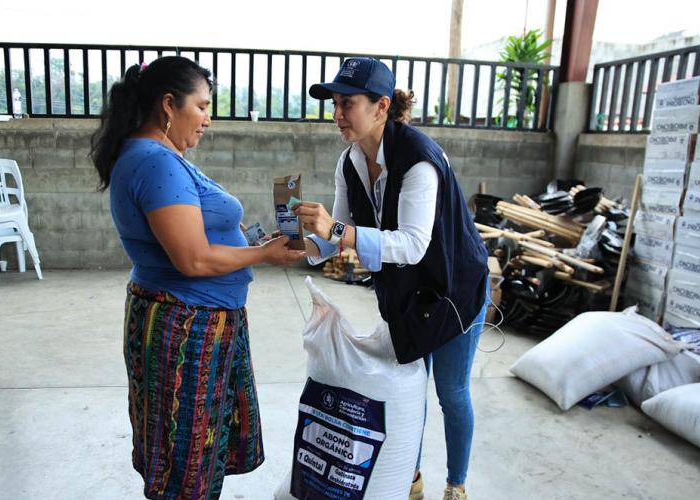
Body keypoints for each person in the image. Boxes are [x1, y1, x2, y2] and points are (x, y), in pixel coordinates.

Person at [90, 56, 305, 500]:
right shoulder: (157, 163)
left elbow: (198, 235)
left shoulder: (158, 156)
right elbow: (192, 258)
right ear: (169, 104)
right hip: (186, 328)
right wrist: (262, 255)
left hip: (191, 319)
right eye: (203, 106)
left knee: (192, 456)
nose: (208, 119)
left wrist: (251, 241)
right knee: (184, 463)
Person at [294, 57, 489, 500]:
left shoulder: (418, 160)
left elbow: (412, 244)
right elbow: (338, 234)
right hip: (408, 294)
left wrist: (336, 231)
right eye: (335, 104)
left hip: (454, 287)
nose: (337, 115)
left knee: (451, 391)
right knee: (410, 387)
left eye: (348, 103)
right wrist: (300, 245)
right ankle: (410, 476)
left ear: (381, 106)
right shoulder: (351, 161)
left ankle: (456, 484)